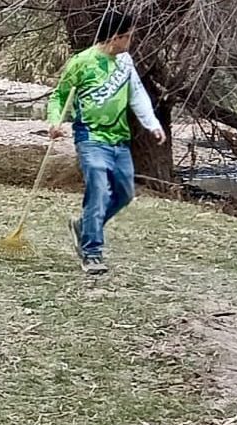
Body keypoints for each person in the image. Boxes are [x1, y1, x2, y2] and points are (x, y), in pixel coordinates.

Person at [46, 11, 165, 276]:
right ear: (116, 37)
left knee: (124, 194)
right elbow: (59, 96)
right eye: (129, 36)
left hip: (119, 139)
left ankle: (85, 226)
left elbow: (137, 94)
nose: (131, 41)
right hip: (91, 138)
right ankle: (92, 252)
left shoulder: (125, 62)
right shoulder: (82, 62)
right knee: (98, 191)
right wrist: (55, 122)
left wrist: (153, 124)